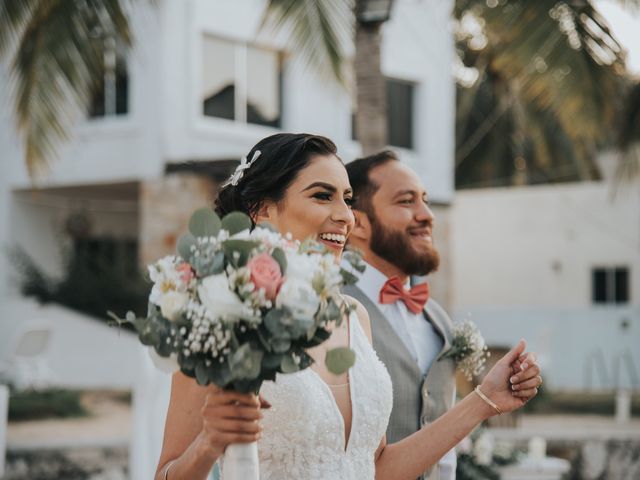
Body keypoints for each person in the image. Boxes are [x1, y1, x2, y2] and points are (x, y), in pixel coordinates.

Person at [154, 133, 542, 480]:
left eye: (348, 199)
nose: (344, 215)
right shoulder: (220, 312)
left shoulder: (353, 316)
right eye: (323, 195)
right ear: (261, 209)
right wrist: (208, 443)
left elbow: (376, 468)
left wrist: (484, 401)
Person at [344, 150, 539, 479]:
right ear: (358, 223)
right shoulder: (332, 310)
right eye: (406, 201)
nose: (426, 215)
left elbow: (445, 452)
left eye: (426, 200)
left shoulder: (438, 321)